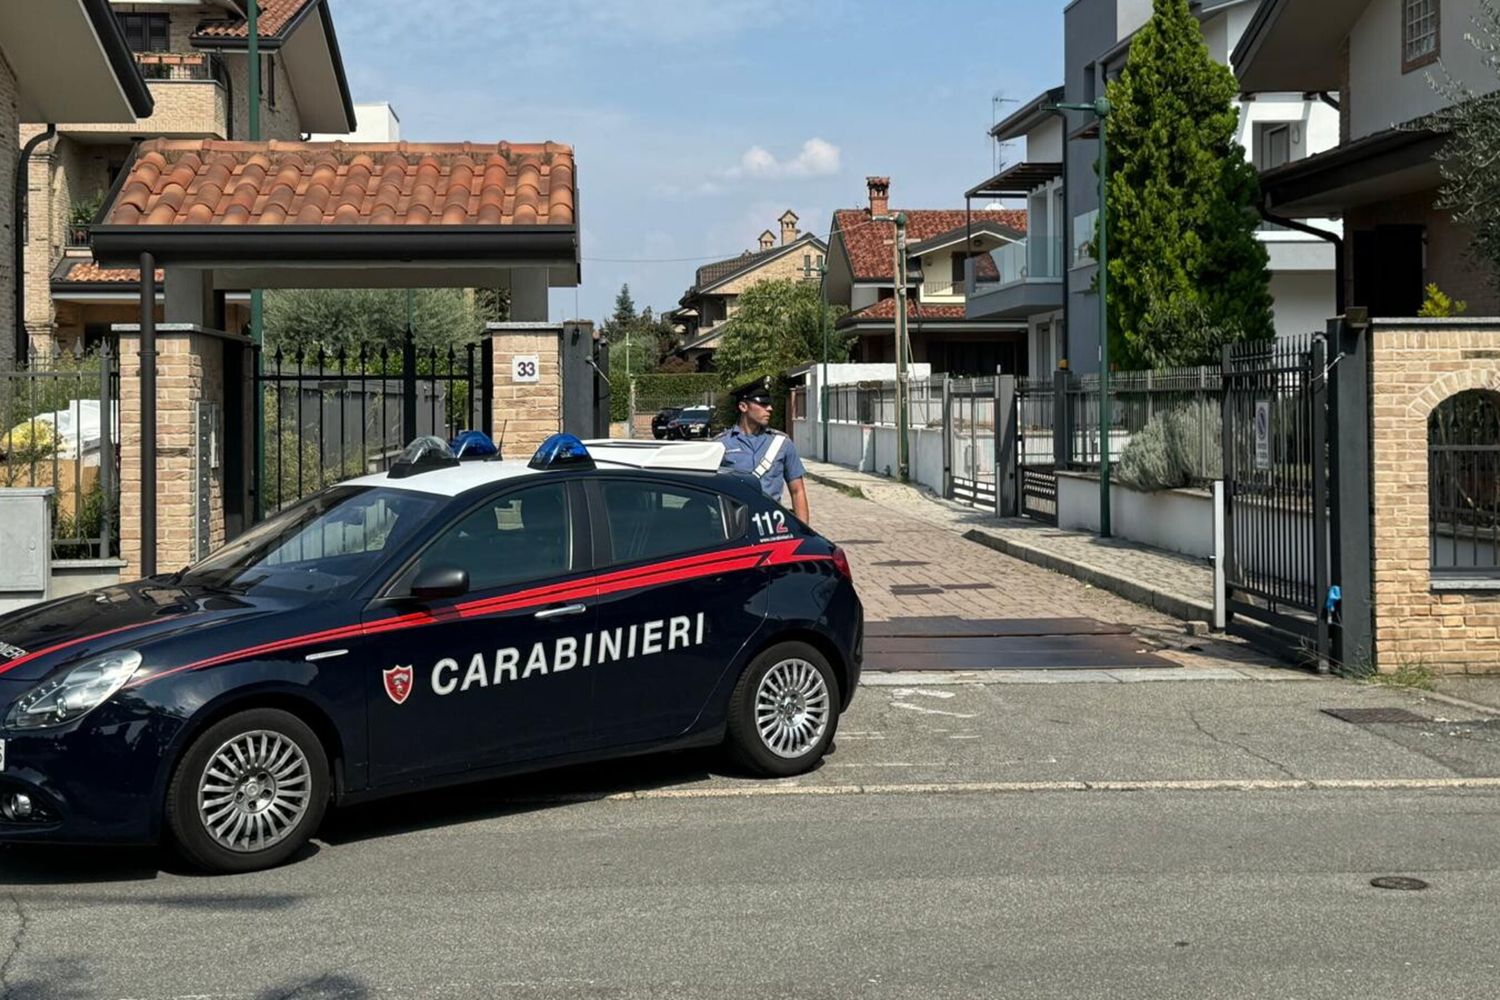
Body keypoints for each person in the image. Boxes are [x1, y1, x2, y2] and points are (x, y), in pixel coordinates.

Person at [718, 384, 810, 524]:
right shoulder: (721, 445)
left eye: (770, 404)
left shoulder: (782, 443)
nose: (770, 409)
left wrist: (805, 532)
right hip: (736, 527)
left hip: (772, 526)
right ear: (743, 407)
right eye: (763, 404)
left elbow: (798, 491)